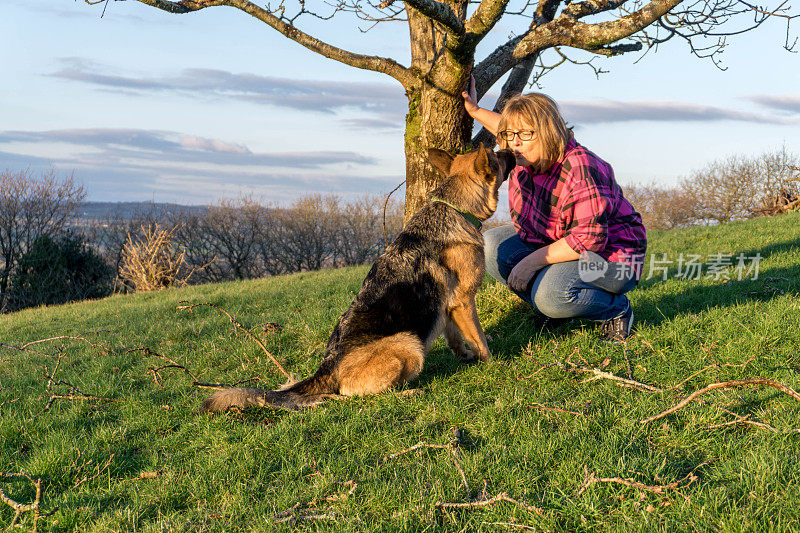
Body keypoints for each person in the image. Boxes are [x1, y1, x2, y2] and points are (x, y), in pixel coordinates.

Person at [462, 82, 647, 341]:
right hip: (560, 245)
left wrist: (530, 262)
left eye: (525, 134)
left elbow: (588, 240)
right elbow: (505, 128)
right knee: (491, 246)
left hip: (612, 259)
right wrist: (475, 110)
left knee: (552, 295)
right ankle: (554, 308)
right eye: (508, 134)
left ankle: (615, 310)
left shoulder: (580, 168)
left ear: (547, 133)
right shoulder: (523, 150)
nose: (514, 143)